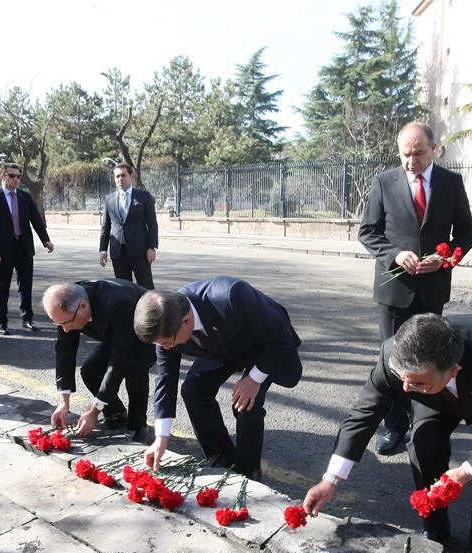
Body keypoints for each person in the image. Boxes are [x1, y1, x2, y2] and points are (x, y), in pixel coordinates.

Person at [302, 313, 472, 553]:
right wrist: (330, 480)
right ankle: (435, 528)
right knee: (422, 440)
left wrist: (465, 472)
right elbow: (365, 413)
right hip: (435, 392)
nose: (406, 390)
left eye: (415, 382)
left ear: (452, 371)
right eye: (402, 379)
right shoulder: (396, 357)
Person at [359, 122, 472, 456]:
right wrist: (395, 255)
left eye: (418, 154)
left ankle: (424, 424)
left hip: (432, 290)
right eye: (405, 154)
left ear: (434, 149)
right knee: (395, 362)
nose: (411, 162)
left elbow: (467, 234)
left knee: (429, 360)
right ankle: (395, 426)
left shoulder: (451, 184)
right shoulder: (384, 182)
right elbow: (368, 232)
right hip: (394, 291)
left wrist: (445, 260)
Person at [133, 276, 302, 481]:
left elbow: (279, 336)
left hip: (263, 344)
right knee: (193, 390)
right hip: (218, 346)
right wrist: (161, 438)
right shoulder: (167, 327)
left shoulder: (232, 295)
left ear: (186, 321)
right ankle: (222, 458)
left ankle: (248, 474)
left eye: (168, 342)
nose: (166, 347)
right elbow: (165, 379)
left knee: (246, 402)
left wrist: (253, 379)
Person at [43, 280, 155, 442]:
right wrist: (63, 402)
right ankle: (115, 412)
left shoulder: (118, 304)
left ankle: (138, 425)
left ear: (83, 306)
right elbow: (64, 351)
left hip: (144, 330)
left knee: (134, 370)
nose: (65, 329)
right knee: (90, 370)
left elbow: (119, 362)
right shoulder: (68, 302)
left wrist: (94, 410)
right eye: (60, 324)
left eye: (67, 323)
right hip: (114, 333)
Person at [0, 163, 54, 335]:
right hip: (4, 249)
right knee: (3, 286)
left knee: (26, 286)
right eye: (12, 176)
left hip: (24, 247)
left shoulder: (24, 197)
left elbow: (36, 220)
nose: (16, 179)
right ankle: (2, 321)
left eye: (18, 176)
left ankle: (27, 319)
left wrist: (46, 240)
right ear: (3, 177)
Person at [99, 164, 158, 290]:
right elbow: (106, 227)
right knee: (123, 289)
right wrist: (103, 250)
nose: (120, 179)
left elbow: (152, 224)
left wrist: (151, 247)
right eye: (117, 176)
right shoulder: (109, 199)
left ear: (131, 176)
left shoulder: (144, 197)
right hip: (118, 252)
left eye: (123, 175)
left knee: (145, 286)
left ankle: (151, 310)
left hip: (140, 251)